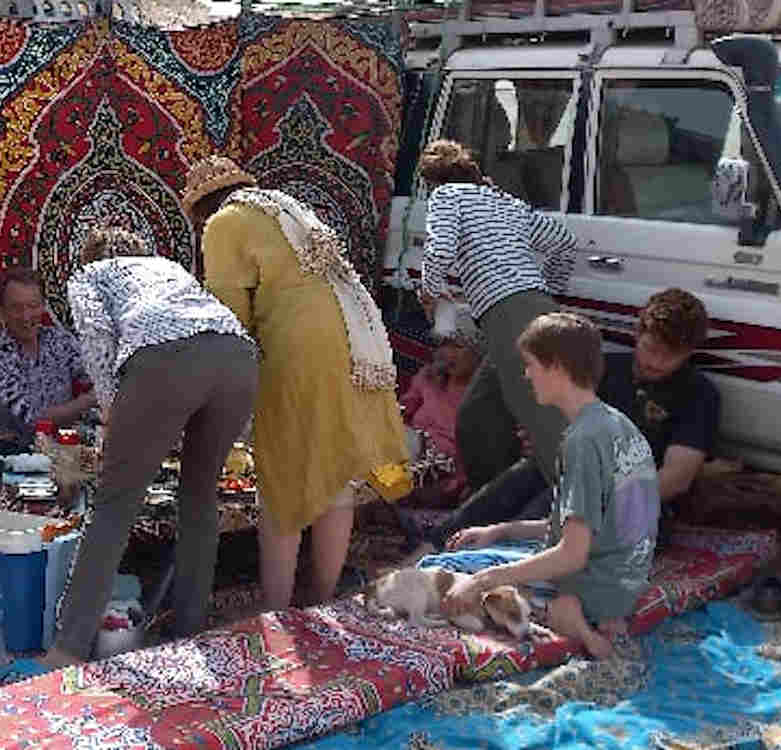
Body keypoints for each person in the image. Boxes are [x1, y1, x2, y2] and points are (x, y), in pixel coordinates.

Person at [186, 155, 410, 611]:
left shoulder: (224, 224)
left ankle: (275, 610)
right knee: (335, 473)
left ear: (201, 209)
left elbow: (227, 315)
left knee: (281, 477)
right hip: (355, 339)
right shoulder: (284, 208)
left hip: (299, 349)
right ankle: (323, 599)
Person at [44, 227, 258, 666]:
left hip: (165, 358)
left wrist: (111, 413)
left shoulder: (90, 275)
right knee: (198, 496)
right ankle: (189, 627)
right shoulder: (171, 270)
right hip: (238, 358)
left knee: (113, 505)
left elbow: (99, 345)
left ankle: (68, 648)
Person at [426, 288, 720, 547]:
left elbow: (677, 477)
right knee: (496, 497)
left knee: (528, 526)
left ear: (689, 353)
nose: (656, 362)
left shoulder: (698, 393)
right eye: (651, 349)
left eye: (670, 356)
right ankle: (424, 553)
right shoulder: (605, 369)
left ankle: (482, 573)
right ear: (638, 333)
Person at [443, 313, 659, 661]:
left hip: (593, 589)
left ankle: (565, 615)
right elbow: (590, 526)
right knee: (486, 554)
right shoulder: (617, 425)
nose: (526, 376)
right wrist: (501, 530)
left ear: (556, 366)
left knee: (441, 575)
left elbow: (573, 553)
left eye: (530, 365)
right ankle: (565, 610)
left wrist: (482, 580)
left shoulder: (583, 441)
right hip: (626, 582)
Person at [415, 139, 581, 500]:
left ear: (432, 183)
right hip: (535, 309)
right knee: (478, 416)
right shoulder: (506, 203)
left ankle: (589, 527)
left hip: (507, 316)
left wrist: (428, 290)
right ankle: (492, 500)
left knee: (545, 426)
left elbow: (440, 249)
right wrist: (548, 294)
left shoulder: (447, 197)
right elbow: (564, 242)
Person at [0, 267, 94, 448]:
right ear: (1, 310)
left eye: (33, 306)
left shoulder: (60, 341)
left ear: (44, 305)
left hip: (66, 454)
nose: (26, 316)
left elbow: (95, 376)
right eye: (16, 307)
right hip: (13, 462)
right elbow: (33, 421)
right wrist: (89, 400)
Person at [397, 305, 481, 507]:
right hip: (409, 464)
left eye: (458, 346)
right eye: (444, 345)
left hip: (447, 475)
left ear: (478, 349)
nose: (448, 354)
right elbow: (398, 415)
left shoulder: (483, 392)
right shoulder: (428, 378)